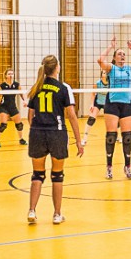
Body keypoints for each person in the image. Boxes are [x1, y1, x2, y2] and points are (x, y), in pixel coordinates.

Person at [25, 56, 84, 224]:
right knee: (57, 175)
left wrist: (37, 128)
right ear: (57, 67)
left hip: (37, 133)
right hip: (57, 133)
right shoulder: (63, 88)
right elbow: (71, 116)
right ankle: (57, 214)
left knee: (37, 174)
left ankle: (31, 211)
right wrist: (79, 141)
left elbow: (30, 117)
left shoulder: (36, 87)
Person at [97, 38, 131, 179]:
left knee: (127, 137)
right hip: (112, 103)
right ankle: (109, 167)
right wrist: (110, 46)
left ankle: (127, 167)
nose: (122, 56)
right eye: (119, 54)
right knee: (111, 137)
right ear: (114, 57)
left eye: (124, 54)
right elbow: (100, 60)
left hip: (126, 104)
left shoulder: (129, 69)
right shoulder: (111, 68)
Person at [0, 69, 28, 148]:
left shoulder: (16, 85)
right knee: (3, 125)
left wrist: (25, 101)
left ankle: (21, 139)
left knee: (19, 125)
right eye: (9, 74)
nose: (11, 75)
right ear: (6, 75)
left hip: (13, 107)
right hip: (4, 107)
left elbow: (22, 94)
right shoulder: (2, 86)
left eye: (12, 73)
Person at [80, 71, 108, 147]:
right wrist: (91, 104)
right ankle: (84, 139)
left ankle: (118, 137)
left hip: (107, 103)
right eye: (104, 73)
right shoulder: (97, 83)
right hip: (98, 102)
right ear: (101, 74)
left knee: (113, 119)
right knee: (91, 119)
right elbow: (93, 94)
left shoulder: (111, 83)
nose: (105, 74)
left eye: (106, 73)